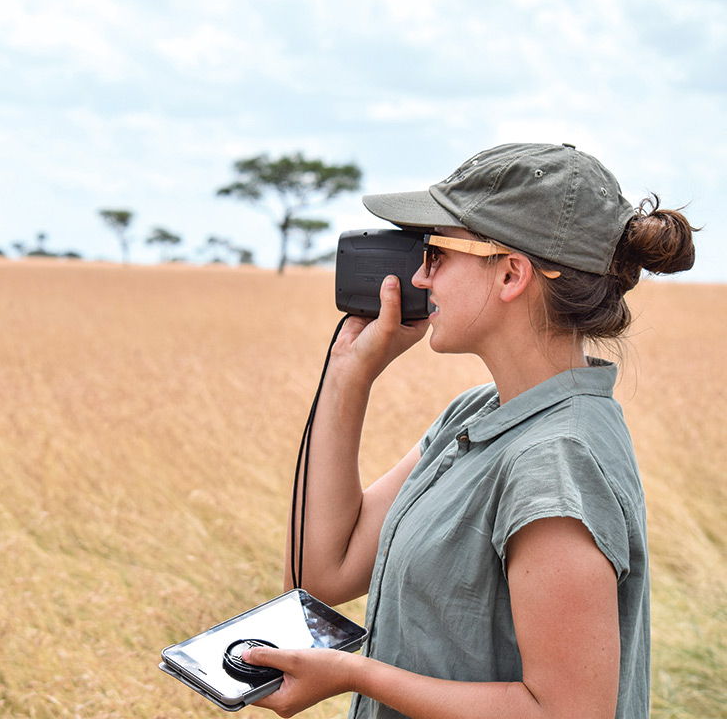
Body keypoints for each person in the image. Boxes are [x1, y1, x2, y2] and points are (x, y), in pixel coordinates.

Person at [239, 143, 697, 718]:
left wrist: (357, 673)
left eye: (435, 251)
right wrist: (348, 377)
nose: (419, 275)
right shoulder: (479, 415)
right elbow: (318, 575)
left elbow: (567, 712)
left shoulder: (556, 458)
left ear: (510, 273)